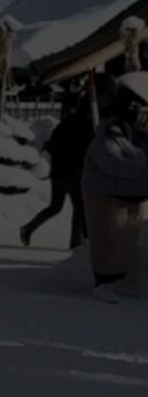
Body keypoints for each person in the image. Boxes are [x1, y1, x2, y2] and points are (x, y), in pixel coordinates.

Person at [79, 75, 148, 303]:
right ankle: (103, 283)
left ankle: (120, 281)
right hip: (104, 195)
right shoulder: (107, 136)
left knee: (125, 241)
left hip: (131, 195)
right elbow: (113, 164)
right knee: (106, 239)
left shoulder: (136, 138)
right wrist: (143, 167)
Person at [20, 95, 92, 250]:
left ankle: (28, 228)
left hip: (60, 171)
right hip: (73, 172)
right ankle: (76, 239)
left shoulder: (67, 122)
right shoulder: (87, 125)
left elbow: (52, 146)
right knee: (79, 207)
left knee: (56, 206)